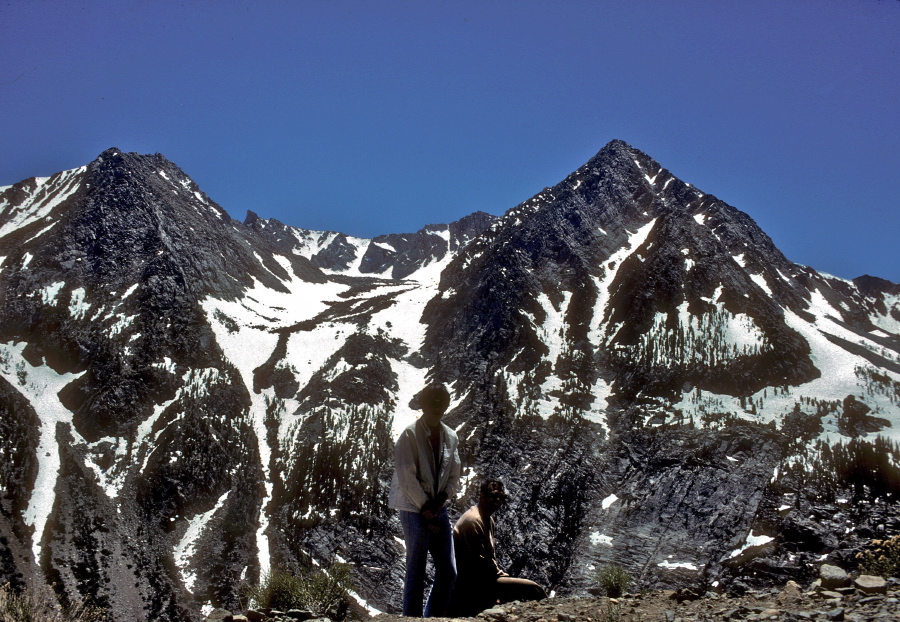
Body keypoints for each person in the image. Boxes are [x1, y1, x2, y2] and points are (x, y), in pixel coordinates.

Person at [389, 383, 461, 617]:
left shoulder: (451, 436)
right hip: (412, 508)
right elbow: (406, 477)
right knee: (416, 569)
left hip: (436, 508)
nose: (437, 407)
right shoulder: (409, 435)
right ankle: (412, 618)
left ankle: (432, 618)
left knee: (448, 571)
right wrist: (426, 508)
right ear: (423, 404)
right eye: (433, 402)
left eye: (441, 403)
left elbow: (454, 476)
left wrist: (439, 502)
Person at [450, 480, 547, 616]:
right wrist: (499, 581)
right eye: (493, 496)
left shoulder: (487, 519)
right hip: (472, 583)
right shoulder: (473, 520)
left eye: (501, 497)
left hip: (483, 579)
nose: (497, 501)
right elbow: (477, 563)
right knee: (533, 589)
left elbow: (488, 557)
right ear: (482, 497)